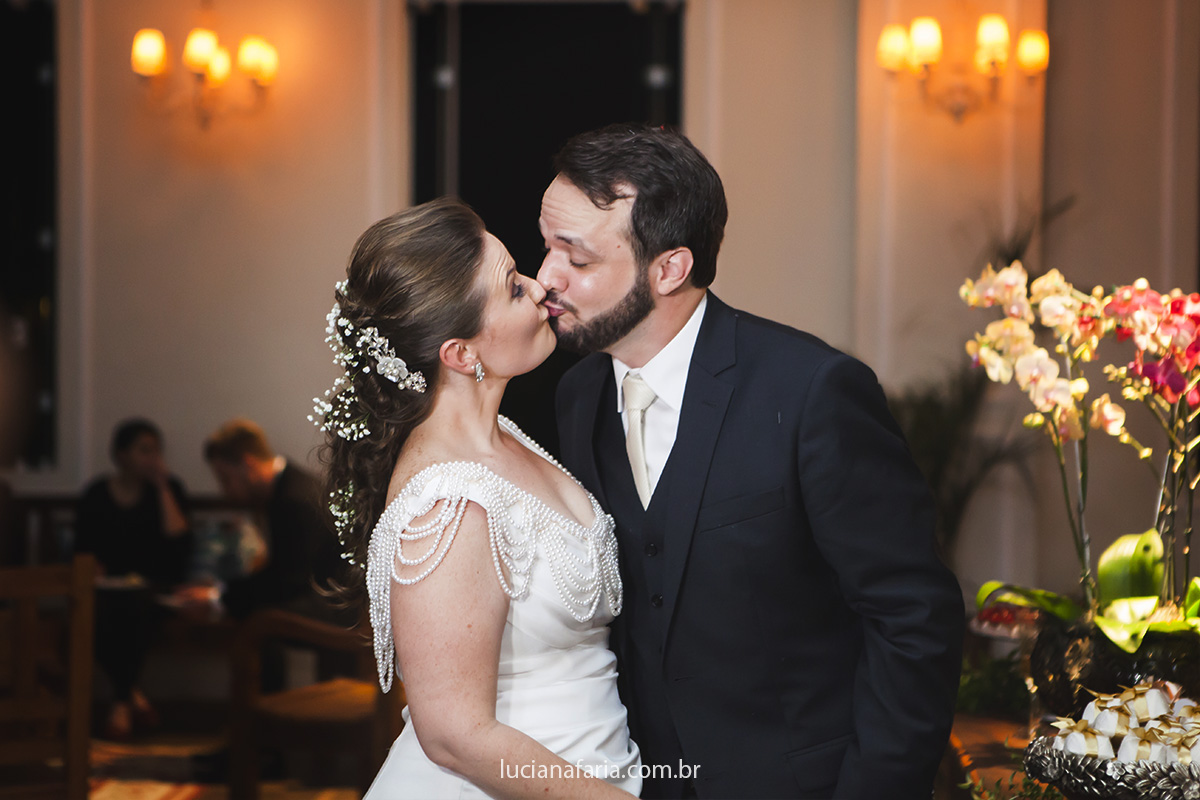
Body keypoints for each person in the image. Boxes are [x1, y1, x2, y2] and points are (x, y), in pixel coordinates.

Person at [538, 123, 965, 799]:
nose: (545, 280)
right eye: (545, 247)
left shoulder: (812, 393)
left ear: (670, 268)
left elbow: (914, 620)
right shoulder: (577, 395)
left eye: (577, 259)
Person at [317, 197, 641, 797]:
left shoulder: (505, 438)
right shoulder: (448, 500)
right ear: (461, 354)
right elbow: (453, 733)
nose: (540, 286)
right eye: (514, 290)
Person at [76, 418, 193, 738]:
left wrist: (163, 488)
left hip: (155, 586)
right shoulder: (97, 494)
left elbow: (179, 542)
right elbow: (82, 548)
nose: (153, 458)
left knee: (138, 608)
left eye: (157, 451)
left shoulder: (170, 490)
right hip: (107, 587)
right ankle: (130, 697)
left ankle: (120, 702)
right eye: (144, 450)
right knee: (93, 613)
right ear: (121, 454)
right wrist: (94, 569)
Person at [192, 418, 342, 622]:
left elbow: (287, 581)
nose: (225, 491)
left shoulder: (294, 499)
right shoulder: (288, 486)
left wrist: (218, 598)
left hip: (332, 608)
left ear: (248, 464)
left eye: (226, 479)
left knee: (252, 623)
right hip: (318, 596)